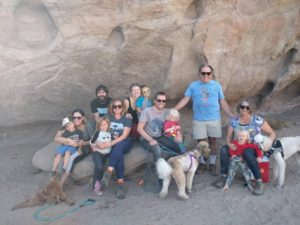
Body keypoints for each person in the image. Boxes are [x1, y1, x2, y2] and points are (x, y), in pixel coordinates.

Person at [174, 64, 234, 176]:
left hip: (214, 118)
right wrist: (174, 109)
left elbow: (222, 101)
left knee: (213, 142)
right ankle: (201, 163)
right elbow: (185, 99)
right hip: (199, 119)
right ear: (199, 74)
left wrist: (230, 114)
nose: (206, 75)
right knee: (200, 143)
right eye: (203, 73)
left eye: (208, 73)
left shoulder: (216, 85)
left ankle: (212, 163)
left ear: (211, 74)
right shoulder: (193, 86)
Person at [219, 99, 276, 195]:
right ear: (239, 108)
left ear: (250, 109)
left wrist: (266, 144)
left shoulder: (257, 120)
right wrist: (229, 144)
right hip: (238, 146)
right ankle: (224, 177)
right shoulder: (234, 121)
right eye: (242, 106)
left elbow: (272, 133)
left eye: (247, 107)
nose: (244, 109)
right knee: (224, 149)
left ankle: (259, 181)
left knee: (248, 151)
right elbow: (228, 136)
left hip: (253, 148)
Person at [100, 99, 133, 199]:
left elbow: (124, 135)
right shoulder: (108, 118)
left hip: (125, 143)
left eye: (119, 106)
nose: (117, 108)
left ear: (123, 107)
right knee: (119, 155)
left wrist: (111, 143)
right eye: (115, 106)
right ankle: (120, 184)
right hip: (112, 143)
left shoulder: (127, 118)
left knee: (119, 146)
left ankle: (109, 171)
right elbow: (102, 130)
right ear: (112, 108)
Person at [137, 91, 182, 163]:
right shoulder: (147, 111)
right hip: (146, 138)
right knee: (157, 149)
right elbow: (139, 128)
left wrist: (177, 135)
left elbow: (174, 126)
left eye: (163, 101)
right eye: (159, 100)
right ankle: (159, 170)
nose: (161, 102)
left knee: (177, 147)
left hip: (160, 137)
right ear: (154, 101)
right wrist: (150, 140)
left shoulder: (167, 112)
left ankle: (174, 165)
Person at [55, 109, 96, 188]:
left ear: (83, 118)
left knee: (71, 158)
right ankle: (54, 181)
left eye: (79, 117)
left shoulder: (88, 125)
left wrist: (83, 143)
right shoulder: (69, 125)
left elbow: (93, 140)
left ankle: (61, 184)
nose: (76, 119)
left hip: (84, 147)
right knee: (62, 157)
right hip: (72, 146)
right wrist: (68, 140)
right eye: (74, 118)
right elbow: (56, 138)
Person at [90, 116, 112, 195]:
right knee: (99, 167)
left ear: (108, 125)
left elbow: (112, 142)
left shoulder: (109, 133)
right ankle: (96, 185)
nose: (103, 126)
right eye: (101, 125)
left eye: (105, 124)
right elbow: (91, 141)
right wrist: (94, 146)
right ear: (98, 126)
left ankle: (96, 185)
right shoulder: (97, 133)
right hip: (97, 153)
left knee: (101, 168)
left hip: (106, 154)